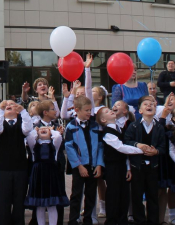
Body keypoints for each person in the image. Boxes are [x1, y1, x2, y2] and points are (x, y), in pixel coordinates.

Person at [123, 96, 166, 225]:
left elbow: (163, 147)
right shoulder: (134, 126)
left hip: (153, 167)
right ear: (140, 110)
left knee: (153, 195)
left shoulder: (159, 127)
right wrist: (138, 145)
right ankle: (139, 220)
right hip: (138, 166)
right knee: (137, 196)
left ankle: (153, 221)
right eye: (146, 104)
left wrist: (156, 151)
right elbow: (126, 141)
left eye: (152, 104)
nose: (149, 105)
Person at [94, 107, 140, 225]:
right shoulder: (107, 133)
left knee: (124, 193)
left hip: (122, 165)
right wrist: (141, 150)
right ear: (103, 119)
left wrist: (128, 168)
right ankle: (112, 220)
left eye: (109, 109)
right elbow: (121, 147)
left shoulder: (119, 128)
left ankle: (122, 219)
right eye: (106, 112)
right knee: (113, 193)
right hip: (112, 166)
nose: (110, 110)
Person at [0, 100, 32, 225]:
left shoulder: (22, 123)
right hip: (4, 168)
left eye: (12, 105)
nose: (9, 106)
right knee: (4, 200)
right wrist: (1, 111)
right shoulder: (0, 123)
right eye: (7, 106)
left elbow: (28, 129)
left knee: (19, 200)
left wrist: (23, 111)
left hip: (20, 167)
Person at [64, 96, 103, 225]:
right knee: (76, 194)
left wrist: (99, 164)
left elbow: (100, 146)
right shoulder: (71, 126)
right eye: (86, 110)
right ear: (77, 110)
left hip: (93, 165)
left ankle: (88, 219)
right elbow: (69, 147)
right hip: (80, 166)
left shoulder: (94, 125)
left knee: (91, 194)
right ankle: (73, 219)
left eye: (90, 110)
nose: (89, 113)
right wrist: (79, 166)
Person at [25, 125, 68, 225]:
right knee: (40, 205)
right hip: (38, 174)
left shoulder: (54, 145)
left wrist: (52, 131)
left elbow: (58, 137)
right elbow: (29, 137)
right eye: (40, 129)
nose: (43, 129)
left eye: (47, 129)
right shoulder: (34, 145)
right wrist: (35, 131)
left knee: (52, 204)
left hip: (51, 174)